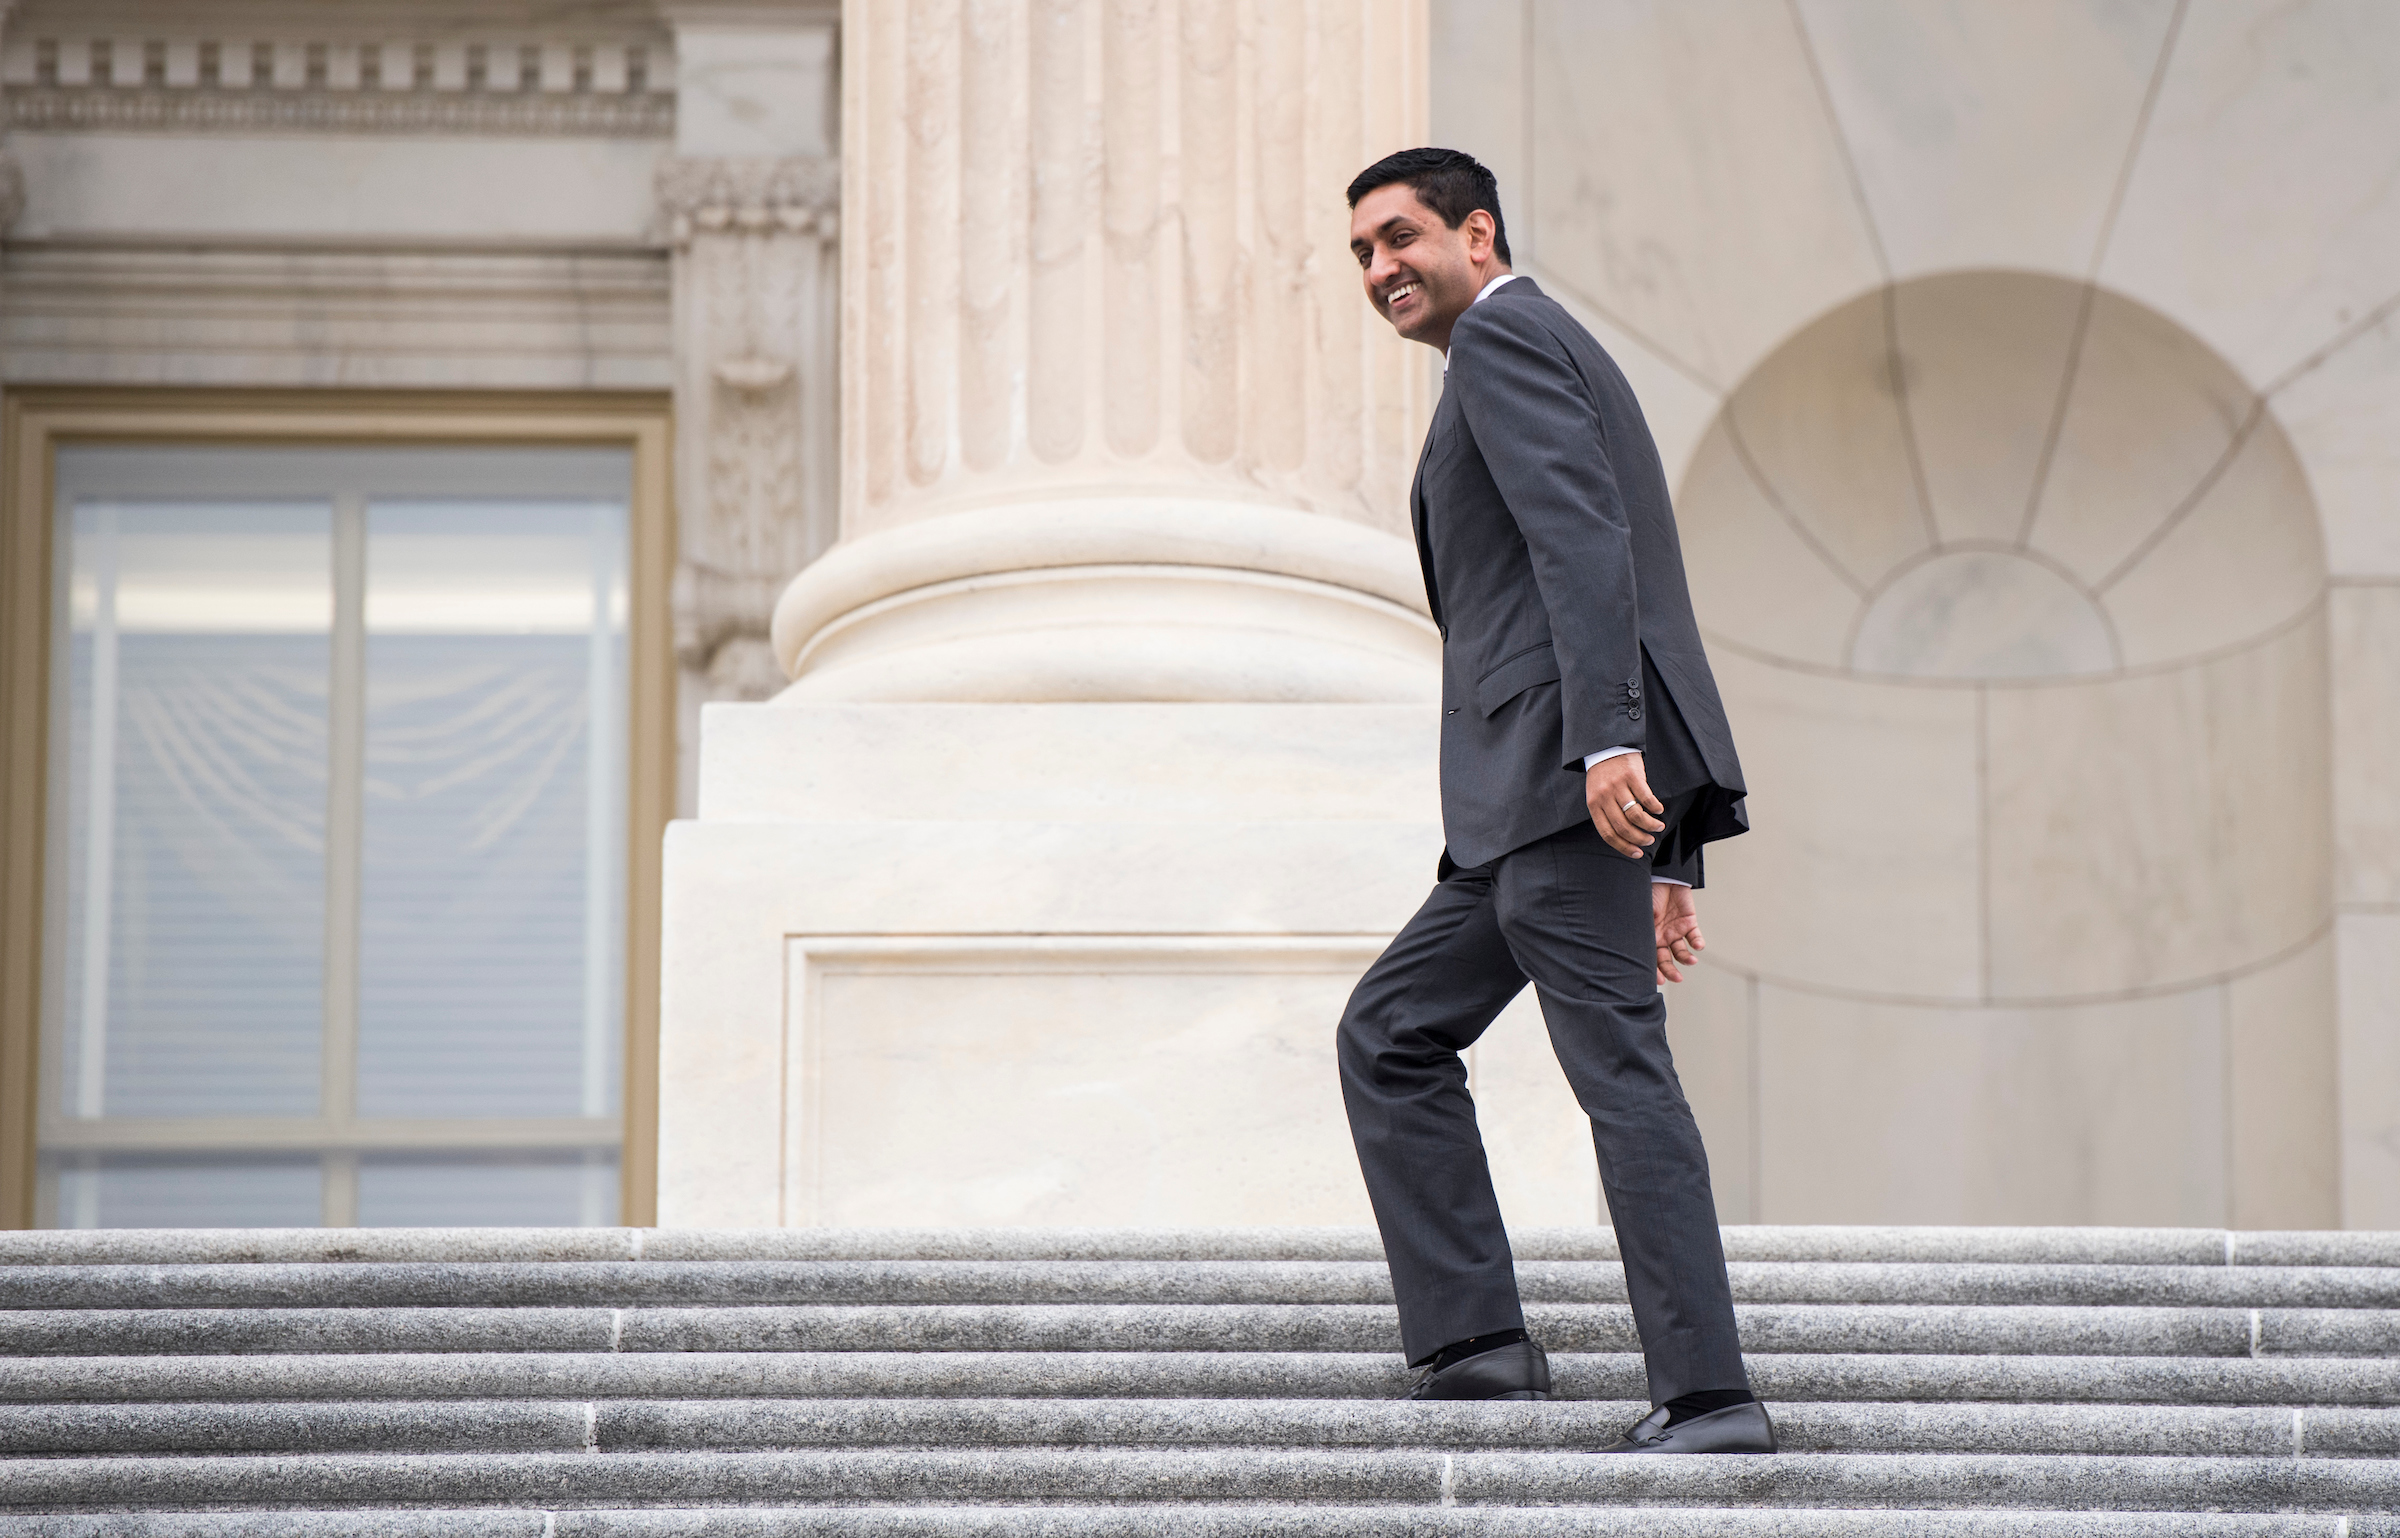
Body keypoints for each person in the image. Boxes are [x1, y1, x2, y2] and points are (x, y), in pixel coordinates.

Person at [1337, 147, 1774, 1456]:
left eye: (1401, 236)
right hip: (1523, 812)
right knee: (1392, 1032)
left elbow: (1591, 541)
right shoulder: (1529, 345)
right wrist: (1665, 852)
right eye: (1360, 251)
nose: (1380, 268)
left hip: (1554, 790)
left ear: (1479, 231)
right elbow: (1618, 566)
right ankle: (1474, 1345)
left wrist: (1610, 750)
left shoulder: (1507, 342)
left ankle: (1708, 1394)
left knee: (1622, 1077)